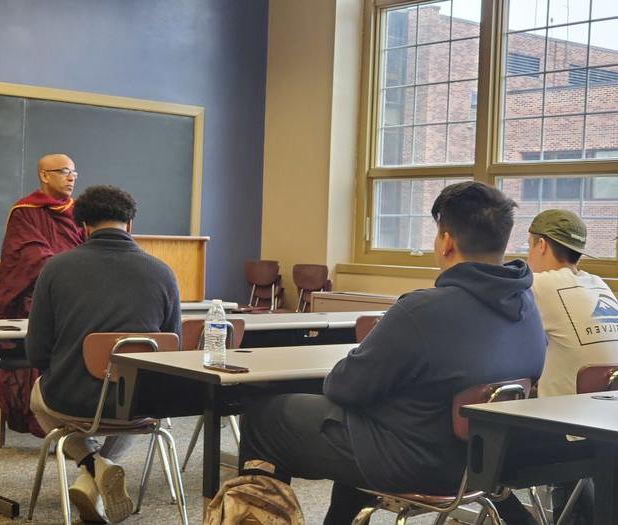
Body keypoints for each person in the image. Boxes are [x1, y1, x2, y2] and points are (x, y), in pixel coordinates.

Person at [238, 181, 547, 524]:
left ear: (446, 242)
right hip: (482, 462)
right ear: (502, 241)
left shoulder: (421, 310)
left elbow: (345, 387)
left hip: (410, 459)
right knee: (357, 428)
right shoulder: (528, 307)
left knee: (265, 416)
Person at [27, 184, 181, 523]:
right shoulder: (163, 273)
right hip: (142, 404)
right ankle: (98, 471)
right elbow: (174, 350)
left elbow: (37, 351)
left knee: (37, 398)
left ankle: (92, 467)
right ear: (130, 224)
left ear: (82, 226)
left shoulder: (56, 268)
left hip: (72, 398)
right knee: (125, 407)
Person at [527, 209, 618, 524]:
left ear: (541, 245)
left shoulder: (537, 285)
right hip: (607, 422)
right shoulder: (599, 284)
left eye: (528, 247)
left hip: (566, 430)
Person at [0, 154, 84, 436]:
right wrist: (66, 267)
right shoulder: (25, 211)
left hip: (77, 298)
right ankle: (40, 419)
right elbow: (26, 255)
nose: (71, 178)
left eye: (74, 173)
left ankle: (75, 418)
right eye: (65, 171)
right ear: (44, 175)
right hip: (37, 297)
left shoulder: (81, 212)